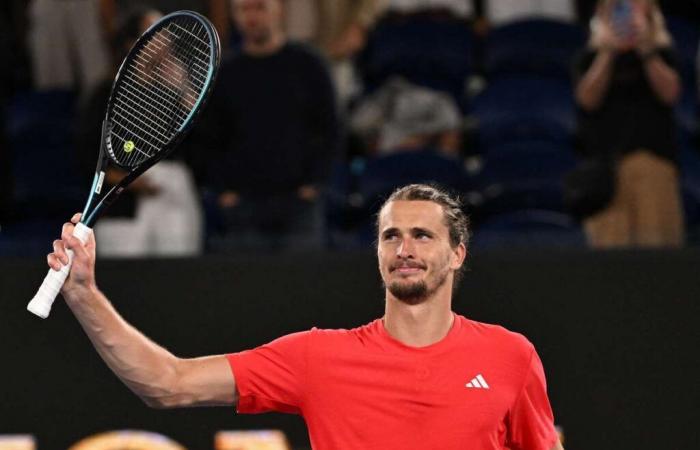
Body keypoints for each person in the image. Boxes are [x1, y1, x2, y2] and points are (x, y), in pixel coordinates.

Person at [47, 183, 564, 450]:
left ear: (457, 254)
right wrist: (85, 294)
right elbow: (168, 383)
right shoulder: (319, 357)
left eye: (423, 235)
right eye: (391, 236)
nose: (404, 249)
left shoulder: (510, 357)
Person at [201, 0, 339, 252]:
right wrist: (223, 190)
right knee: (246, 287)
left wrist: (315, 183)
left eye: (259, 7)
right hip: (242, 204)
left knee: (303, 285)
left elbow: (331, 129)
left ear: (279, 10)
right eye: (243, 9)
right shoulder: (224, 73)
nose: (251, 17)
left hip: (299, 202)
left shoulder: (309, 64)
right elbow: (210, 139)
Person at [75, 7, 204, 257]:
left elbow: (203, 142)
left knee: (178, 276)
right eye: (155, 33)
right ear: (130, 42)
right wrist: (122, 181)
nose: (165, 42)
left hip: (171, 195)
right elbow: (87, 152)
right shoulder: (105, 94)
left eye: (166, 35)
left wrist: (184, 89)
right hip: (122, 204)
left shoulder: (175, 90)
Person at [573, 0, 684, 248]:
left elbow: (671, 93)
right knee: (610, 268)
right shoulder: (589, 57)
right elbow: (587, 99)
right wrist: (608, 52)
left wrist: (646, 49)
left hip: (653, 168)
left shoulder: (662, 54)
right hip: (605, 178)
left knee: (657, 261)